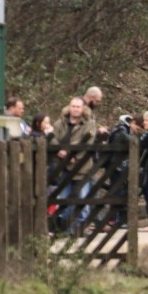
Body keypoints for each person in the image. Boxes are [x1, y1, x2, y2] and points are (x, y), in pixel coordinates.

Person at [52, 96, 98, 233]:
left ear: (83, 108)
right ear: (69, 107)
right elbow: (52, 138)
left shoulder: (89, 123)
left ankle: (72, 228)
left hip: (81, 168)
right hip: (63, 167)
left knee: (82, 200)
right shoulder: (60, 123)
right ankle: (64, 227)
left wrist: (70, 154)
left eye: (78, 107)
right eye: (73, 106)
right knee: (64, 200)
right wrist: (60, 151)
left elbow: (86, 143)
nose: (75, 109)